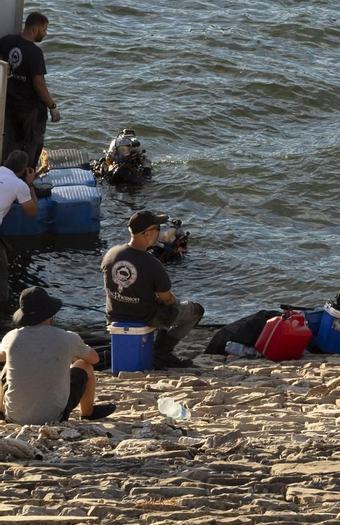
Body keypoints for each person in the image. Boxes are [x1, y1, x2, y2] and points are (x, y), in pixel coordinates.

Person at [102, 211, 204, 369]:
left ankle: (159, 349)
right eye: (158, 229)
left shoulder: (111, 254)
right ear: (147, 233)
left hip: (114, 314)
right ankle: (161, 351)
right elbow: (167, 299)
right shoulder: (152, 263)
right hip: (144, 317)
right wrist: (172, 301)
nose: (159, 233)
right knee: (195, 310)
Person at [0, 286, 115, 424]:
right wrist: (71, 355)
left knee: (7, 366)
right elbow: (94, 359)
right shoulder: (68, 338)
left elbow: (2, 357)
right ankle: (87, 413)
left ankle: (1, 410)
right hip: (55, 417)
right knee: (85, 365)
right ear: (50, 314)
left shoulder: (11, 337)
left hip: (15, 417)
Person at [0, 12, 59, 171]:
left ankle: (8, 175)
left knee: (11, 143)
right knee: (34, 143)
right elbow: (39, 84)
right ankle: (28, 178)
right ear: (34, 29)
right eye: (44, 30)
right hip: (31, 108)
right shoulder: (34, 52)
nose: (45, 33)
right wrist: (52, 106)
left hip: (10, 104)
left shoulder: (6, 41)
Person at [0, 151, 39, 313]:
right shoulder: (19, 185)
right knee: (1, 276)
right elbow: (32, 212)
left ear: (4, 161)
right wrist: (30, 184)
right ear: (23, 171)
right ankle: (3, 315)